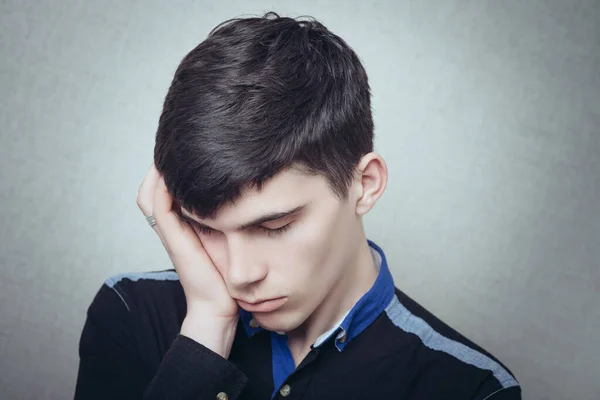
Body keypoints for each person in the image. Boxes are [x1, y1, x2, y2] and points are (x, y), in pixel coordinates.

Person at [74, 12, 521, 400]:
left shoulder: (471, 389)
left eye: (275, 225)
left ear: (364, 184)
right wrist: (207, 328)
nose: (239, 275)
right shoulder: (130, 312)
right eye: (205, 229)